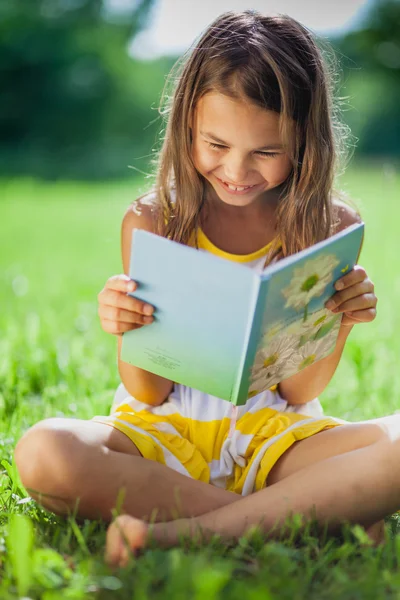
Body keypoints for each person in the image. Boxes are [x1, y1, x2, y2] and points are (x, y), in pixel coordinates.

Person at [15, 10, 398, 569]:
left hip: (276, 440)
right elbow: (147, 394)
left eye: (266, 152)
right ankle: (300, 519)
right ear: (186, 126)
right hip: (160, 438)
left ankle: (192, 533)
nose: (236, 171)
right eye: (215, 144)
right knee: (44, 452)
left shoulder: (330, 227)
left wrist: (337, 321)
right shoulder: (153, 220)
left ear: (305, 142)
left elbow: (297, 392)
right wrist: (128, 327)